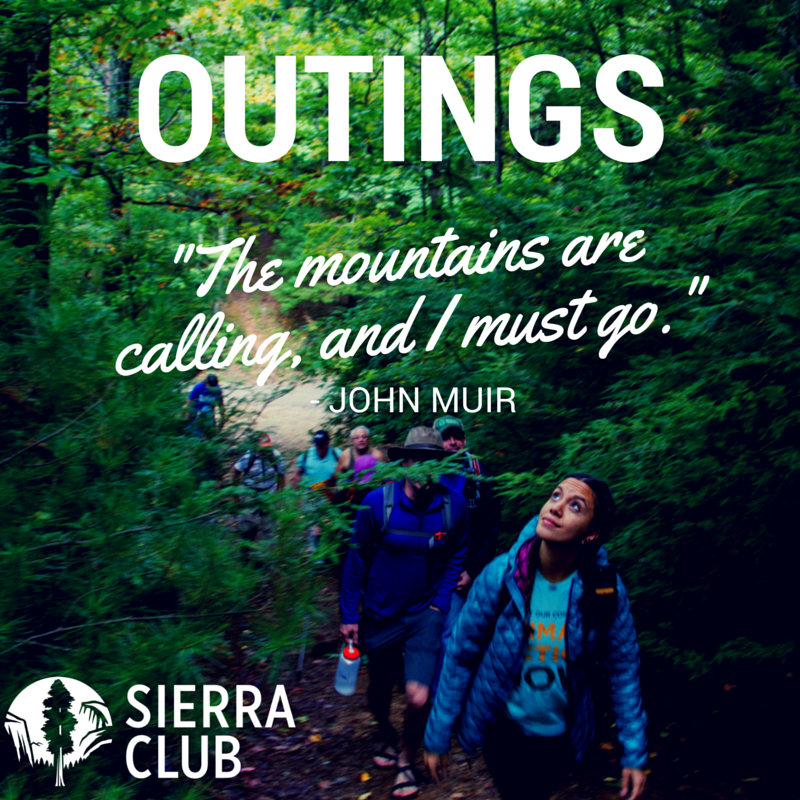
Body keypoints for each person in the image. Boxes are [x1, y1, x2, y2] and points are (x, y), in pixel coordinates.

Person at [424, 474, 648, 800]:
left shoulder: (604, 590)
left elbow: (623, 668)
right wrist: (438, 733)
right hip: (502, 730)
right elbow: (461, 653)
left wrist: (634, 751)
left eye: (575, 505)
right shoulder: (502, 576)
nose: (556, 507)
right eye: (555, 495)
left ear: (592, 533)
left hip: (563, 736)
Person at [340, 427, 469, 799]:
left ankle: (405, 761)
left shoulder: (452, 505)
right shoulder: (378, 503)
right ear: (405, 462)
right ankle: (384, 732)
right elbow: (356, 561)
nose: (424, 468)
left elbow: (458, 553)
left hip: (424, 616)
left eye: (432, 461)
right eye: (417, 460)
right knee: (378, 691)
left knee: (417, 697)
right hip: (381, 614)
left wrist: (439, 603)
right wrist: (350, 614)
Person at [432, 416, 500, 670]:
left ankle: (442, 700)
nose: (452, 442)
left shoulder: (479, 474)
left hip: (463, 571)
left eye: (456, 437)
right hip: (427, 567)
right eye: (446, 437)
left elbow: (490, 528)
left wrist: (472, 570)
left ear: (464, 439)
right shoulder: (423, 473)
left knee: (452, 635)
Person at [232, 433, 285, 539]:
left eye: (267, 447)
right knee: (248, 526)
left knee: (270, 526)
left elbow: (281, 475)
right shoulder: (248, 457)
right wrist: (236, 496)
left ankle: (269, 551)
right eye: (262, 448)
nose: (265, 451)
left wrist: (280, 495)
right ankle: (245, 551)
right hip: (250, 492)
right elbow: (236, 473)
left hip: (269, 491)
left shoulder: (275, 456)